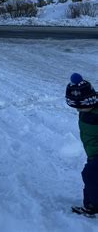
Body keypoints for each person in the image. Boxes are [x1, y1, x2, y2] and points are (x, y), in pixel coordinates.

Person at [65, 73, 98, 216]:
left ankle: (94, 205)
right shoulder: (86, 108)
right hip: (93, 151)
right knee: (91, 178)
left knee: (90, 174)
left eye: (80, 108)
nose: (78, 111)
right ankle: (90, 206)